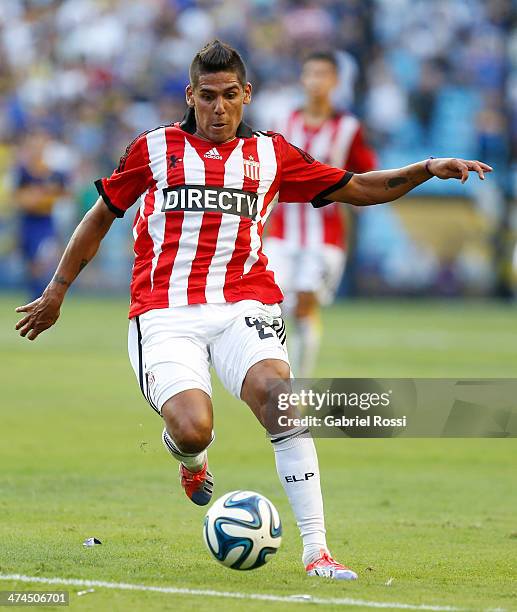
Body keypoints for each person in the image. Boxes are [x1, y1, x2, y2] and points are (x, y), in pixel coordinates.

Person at [15, 41, 491, 580]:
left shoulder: (271, 155)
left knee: (281, 401)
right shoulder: (153, 150)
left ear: (247, 95)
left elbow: (357, 187)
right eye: (208, 97)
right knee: (194, 429)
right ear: (191, 97)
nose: (219, 108)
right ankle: (192, 461)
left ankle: (317, 552)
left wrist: (427, 167)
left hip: (246, 301)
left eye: (230, 96)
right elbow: (101, 216)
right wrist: (58, 289)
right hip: (165, 311)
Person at [265, 51, 377, 376]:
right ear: (302, 79)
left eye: (323, 75)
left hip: (325, 236)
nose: (315, 82)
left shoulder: (348, 128)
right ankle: (274, 378)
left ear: (335, 81)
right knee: (271, 305)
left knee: (304, 305)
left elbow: (367, 173)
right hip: (283, 231)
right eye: (310, 74)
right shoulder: (281, 123)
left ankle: (297, 385)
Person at [13, 130, 69, 300]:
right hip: (28, 223)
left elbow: (64, 194)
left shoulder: (53, 173)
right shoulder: (23, 171)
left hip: (45, 224)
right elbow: (22, 200)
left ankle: (41, 300)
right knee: (31, 264)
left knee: (42, 263)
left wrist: (40, 198)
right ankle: (34, 301)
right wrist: (42, 197)